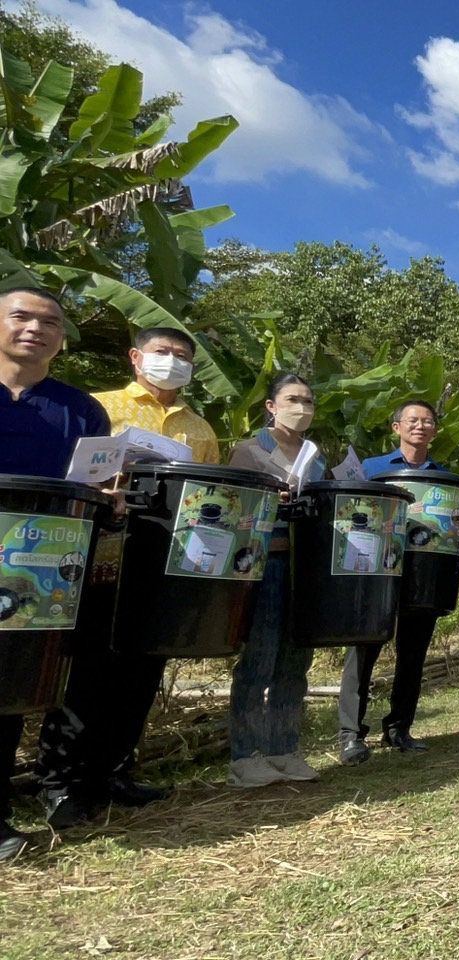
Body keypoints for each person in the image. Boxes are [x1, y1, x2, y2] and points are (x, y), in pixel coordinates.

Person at [37, 325, 220, 828]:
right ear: (136, 357)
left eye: (183, 355)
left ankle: (114, 771)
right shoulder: (100, 407)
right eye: (163, 352)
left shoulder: (200, 429)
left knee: (143, 669)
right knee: (88, 670)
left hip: (166, 561)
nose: (173, 361)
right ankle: (60, 784)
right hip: (100, 554)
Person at [0, 288, 110, 859]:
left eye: (50, 322)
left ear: (61, 339)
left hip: (39, 565)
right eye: (21, 316)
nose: (35, 329)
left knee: (15, 682)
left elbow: (94, 486)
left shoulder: (81, 408)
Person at [224, 374, 326, 787]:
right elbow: (234, 504)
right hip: (264, 564)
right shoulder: (248, 451)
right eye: (292, 399)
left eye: (308, 400)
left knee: (295, 660)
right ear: (271, 406)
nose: (301, 407)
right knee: (260, 659)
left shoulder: (317, 457)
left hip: (306, 565)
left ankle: (285, 748)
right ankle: (245, 755)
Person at [338, 399, 449, 765]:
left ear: (434, 430)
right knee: (363, 651)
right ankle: (350, 733)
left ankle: (399, 727)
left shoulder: (442, 477)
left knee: (413, 655)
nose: (420, 426)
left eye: (428, 421)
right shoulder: (371, 469)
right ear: (396, 427)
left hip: (423, 578)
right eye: (412, 420)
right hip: (375, 573)